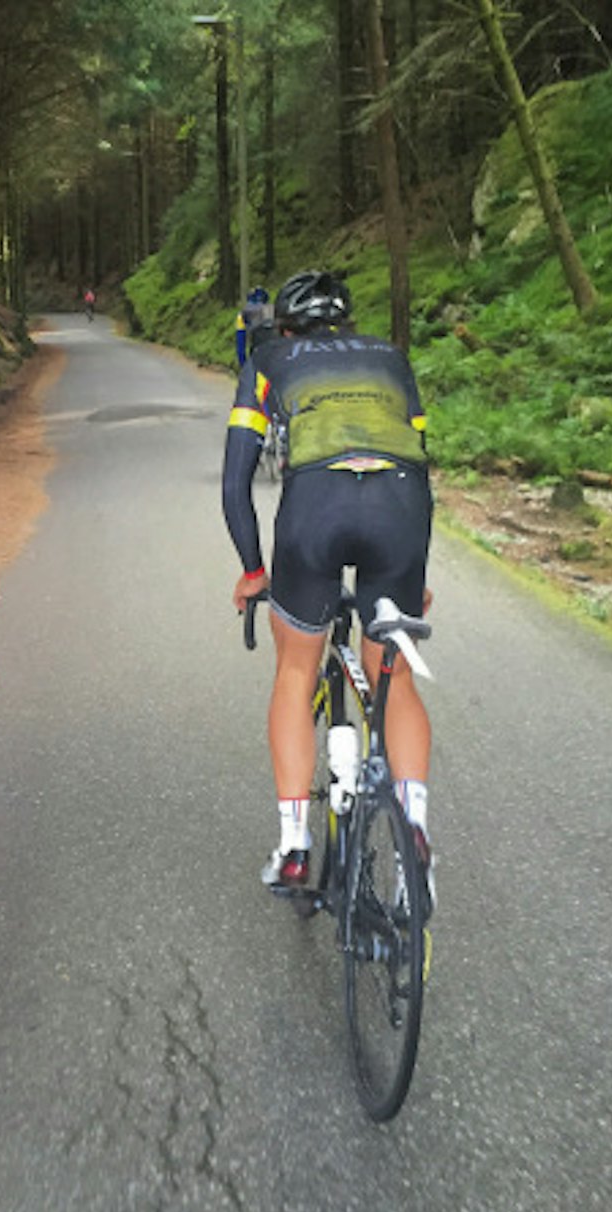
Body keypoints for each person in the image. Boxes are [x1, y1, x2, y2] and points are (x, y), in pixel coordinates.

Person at [221, 270, 435, 898]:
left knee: (294, 671)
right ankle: (415, 829)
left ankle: (293, 844)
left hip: (315, 506)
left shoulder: (267, 359)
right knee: (390, 674)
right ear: (347, 322)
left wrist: (254, 571)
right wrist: (414, 575)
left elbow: (236, 484)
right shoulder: (392, 359)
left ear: (285, 327)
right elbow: (423, 465)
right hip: (400, 507)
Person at [235, 285, 273, 368]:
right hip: (272, 356)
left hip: (255, 355)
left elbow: (240, 345)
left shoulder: (243, 314)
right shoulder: (271, 310)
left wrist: (243, 364)